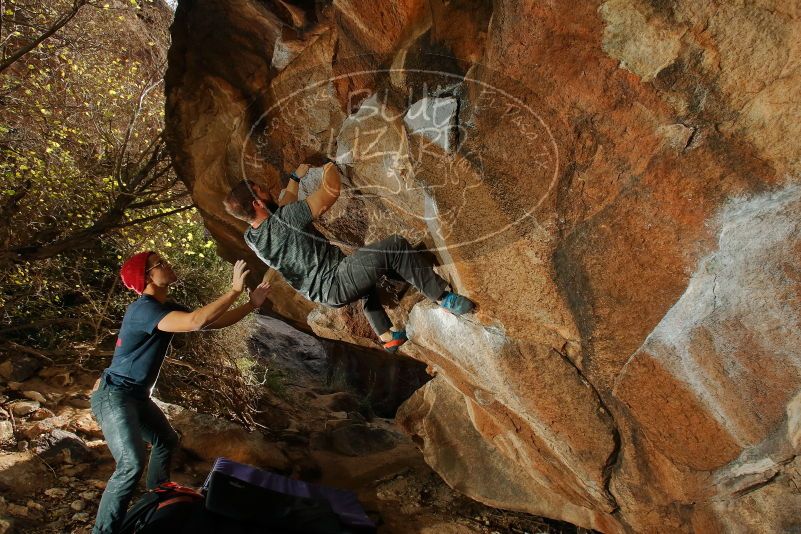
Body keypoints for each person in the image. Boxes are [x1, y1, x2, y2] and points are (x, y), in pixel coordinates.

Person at [90, 251, 270, 534]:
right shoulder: (143, 309)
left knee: (166, 440)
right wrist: (234, 290)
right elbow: (195, 321)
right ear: (147, 277)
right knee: (131, 464)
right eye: (160, 263)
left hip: (136, 397)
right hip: (115, 395)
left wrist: (250, 304)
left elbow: (209, 321)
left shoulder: (164, 307)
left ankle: (158, 496)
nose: (168, 264)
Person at [223, 161, 475, 353]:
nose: (266, 188)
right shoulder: (285, 220)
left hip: (322, 294)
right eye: (260, 189)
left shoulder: (252, 237)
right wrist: (329, 166)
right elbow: (330, 192)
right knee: (394, 246)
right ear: (257, 202)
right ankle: (444, 298)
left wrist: (295, 178)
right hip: (335, 281)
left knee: (364, 280)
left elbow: (283, 204)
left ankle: (388, 337)